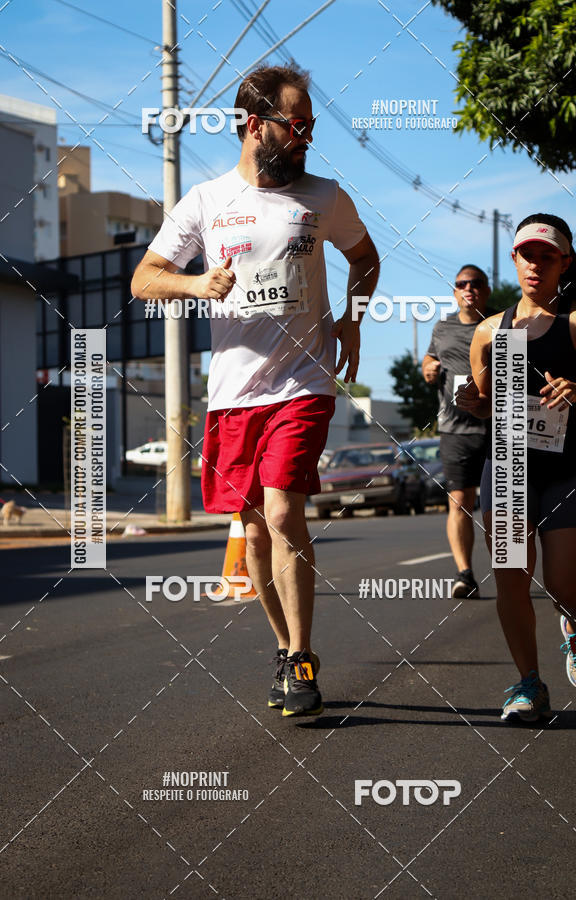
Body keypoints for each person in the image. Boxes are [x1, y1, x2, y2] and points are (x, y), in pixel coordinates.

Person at [131, 63, 380, 717]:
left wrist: (352, 321)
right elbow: (145, 278)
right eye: (296, 125)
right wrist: (195, 284)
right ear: (254, 125)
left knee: (281, 511)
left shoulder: (324, 197)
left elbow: (366, 257)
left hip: (304, 384)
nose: (306, 139)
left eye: (310, 127)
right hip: (234, 395)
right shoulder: (207, 203)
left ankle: (302, 656)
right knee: (254, 531)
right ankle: (283, 649)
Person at [458, 213, 576, 722]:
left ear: (563, 262)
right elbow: (484, 401)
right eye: (527, 255)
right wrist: (473, 402)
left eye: (547, 256)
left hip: (571, 471)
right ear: (514, 259)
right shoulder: (491, 332)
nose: (535, 265)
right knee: (512, 577)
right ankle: (528, 684)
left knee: (564, 585)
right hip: (511, 469)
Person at [422, 265, 491, 598]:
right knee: (460, 501)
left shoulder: (499, 324)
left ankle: (512, 573)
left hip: (497, 427)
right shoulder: (443, 327)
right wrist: (428, 369)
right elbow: (428, 360)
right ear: (455, 292)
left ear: (486, 290)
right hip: (455, 429)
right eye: (462, 284)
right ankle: (465, 574)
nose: (469, 289)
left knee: (502, 504)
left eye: (476, 283)